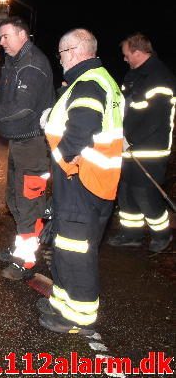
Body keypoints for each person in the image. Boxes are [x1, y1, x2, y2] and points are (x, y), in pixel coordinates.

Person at [40, 28, 123, 334]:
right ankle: (62, 302)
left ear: (73, 52)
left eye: (61, 54)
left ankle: (80, 316)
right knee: (65, 245)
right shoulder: (104, 80)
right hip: (93, 182)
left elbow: (80, 131)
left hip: (82, 181)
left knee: (76, 250)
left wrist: (61, 161)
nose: (60, 60)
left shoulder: (88, 83)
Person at [0, 16, 55, 280]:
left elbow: (23, 107)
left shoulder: (32, 65)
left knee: (29, 204)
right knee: (15, 200)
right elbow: (5, 96)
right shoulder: (14, 61)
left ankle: (25, 262)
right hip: (19, 143)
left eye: (6, 36)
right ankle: (21, 247)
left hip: (33, 145)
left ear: (23, 35)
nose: (2, 42)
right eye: (0, 37)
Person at [107, 33, 175, 253]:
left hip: (150, 150)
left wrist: (130, 139)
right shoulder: (133, 77)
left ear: (138, 52)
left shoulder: (160, 78)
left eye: (127, 55)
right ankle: (131, 234)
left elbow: (156, 118)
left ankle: (162, 235)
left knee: (146, 194)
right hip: (128, 146)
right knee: (126, 192)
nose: (125, 59)